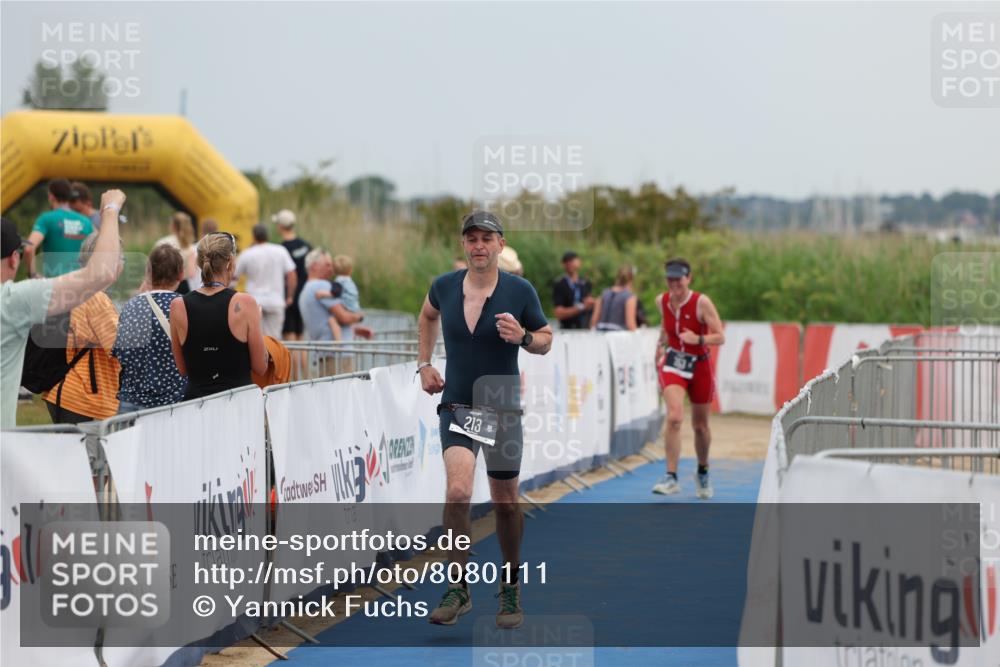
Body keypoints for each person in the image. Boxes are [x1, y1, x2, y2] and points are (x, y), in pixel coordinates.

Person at [417, 210, 552, 630]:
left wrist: (525, 338)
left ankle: (510, 585)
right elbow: (426, 317)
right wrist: (423, 363)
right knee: (457, 492)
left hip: (501, 405)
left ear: (500, 244)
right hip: (457, 403)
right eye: (471, 238)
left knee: (505, 503)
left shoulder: (520, 290)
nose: (478, 245)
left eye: (486, 239)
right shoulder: (443, 286)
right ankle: (458, 586)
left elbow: (546, 339)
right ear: (464, 245)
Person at [0, 189, 125, 429]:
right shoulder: (14, 301)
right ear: (14, 259)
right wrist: (110, 209)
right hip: (83, 398)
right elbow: (120, 347)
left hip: (62, 388)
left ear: (51, 196)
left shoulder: (46, 221)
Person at [652, 258, 725, 499]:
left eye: (679, 279)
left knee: (700, 426)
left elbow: (720, 336)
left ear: (688, 278)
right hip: (673, 363)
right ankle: (671, 476)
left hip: (700, 366)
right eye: (670, 279)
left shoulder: (701, 302)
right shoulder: (661, 301)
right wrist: (660, 345)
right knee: (674, 417)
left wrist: (699, 339)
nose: (674, 284)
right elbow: (666, 325)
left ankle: (703, 471)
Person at [170, 232, 269, 400]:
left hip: (196, 406)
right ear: (230, 262)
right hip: (238, 405)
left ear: (200, 262)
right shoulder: (245, 303)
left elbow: (182, 368)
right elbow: (261, 366)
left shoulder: (178, 305)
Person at [42, 233, 125, 423]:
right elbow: (120, 347)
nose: (121, 264)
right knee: (85, 452)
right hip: (83, 397)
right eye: (120, 257)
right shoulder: (97, 298)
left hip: (66, 391)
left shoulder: (78, 290)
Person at [113, 244, 188, 412]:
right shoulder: (185, 307)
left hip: (131, 403)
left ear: (149, 273)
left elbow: (120, 353)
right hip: (174, 402)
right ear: (181, 274)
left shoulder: (130, 307)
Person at [234, 224, 297, 338]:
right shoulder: (280, 250)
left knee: (254, 337)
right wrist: (290, 296)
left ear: (253, 236)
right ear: (267, 235)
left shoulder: (247, 254)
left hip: (255, 301)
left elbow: (234, 276)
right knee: (274, 339)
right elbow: (291, 274)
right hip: (276, 300)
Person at [22, 178, 94, 278]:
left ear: (51, 196)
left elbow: (29, 248)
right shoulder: (86, 221)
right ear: (69, 196)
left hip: (54, 284)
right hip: (80, 284)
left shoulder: (46, 219)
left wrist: (32, 274)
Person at [273, 209, 311, 342]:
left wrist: (289, 295)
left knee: (289, 335)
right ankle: (303, 364)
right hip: (305, 294)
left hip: (288, 296)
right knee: (300, 336)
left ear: (280, 226)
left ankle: (293, 364)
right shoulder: (306, 246)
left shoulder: (281, 249)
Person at [155, 212, 200, 294]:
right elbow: (191, 273)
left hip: (163, 285)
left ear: (173, 226)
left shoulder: (162, 243)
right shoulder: (190, 246)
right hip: (183, 287)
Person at [551, 251, 594, 329]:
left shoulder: (585, 283)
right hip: (567, 328)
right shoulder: (560, 284)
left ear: (579, 262)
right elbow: (558, 313)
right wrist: (581, 308)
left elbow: (589, 304)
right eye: (567, 262)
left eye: (572, 261)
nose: (569, 264)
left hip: (584, 327)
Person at [590, 265, 638, 331]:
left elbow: (594, 319)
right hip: (617, 334)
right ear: (631, 279)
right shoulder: (630, 297)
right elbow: (630, 324)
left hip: (600, 331)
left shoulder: (604, 293)